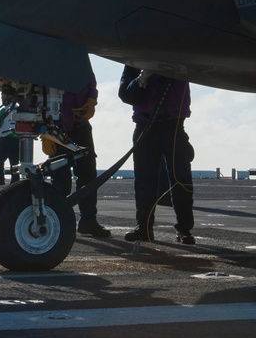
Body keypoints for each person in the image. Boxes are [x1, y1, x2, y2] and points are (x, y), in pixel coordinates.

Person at [118, 66, 195, 245]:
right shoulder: (133, 61)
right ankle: (143, 227)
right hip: (146, 127)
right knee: (144, 180)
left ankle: (184, 229)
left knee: (181, 179)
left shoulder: (178, 56)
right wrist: (142, 78)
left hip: (174, 126)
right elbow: (125, 95)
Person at [50, 78, 110, 238]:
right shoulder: (50, 60)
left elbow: (90, 81)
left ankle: (88, 220)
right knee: (61, 178)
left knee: (88, 175)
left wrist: (92, 99)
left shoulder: (78, 58)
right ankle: (60, 222)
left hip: (79, 125)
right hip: (56, 127)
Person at [0, 84, 19, 186]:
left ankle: (0, 179)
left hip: (6, 138)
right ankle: (15, 181)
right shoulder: (19, 109)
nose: (2, 98)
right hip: (17, 139)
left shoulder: (4, 110)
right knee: (14, 162)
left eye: (3, 96)